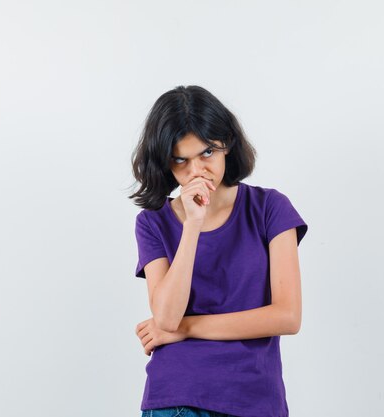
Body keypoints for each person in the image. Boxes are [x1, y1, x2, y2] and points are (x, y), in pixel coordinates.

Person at [129, 85, 308, 417]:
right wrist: (192, 223)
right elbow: (166, 317)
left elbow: (287, 316)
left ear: (226, 143)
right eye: (181, 160)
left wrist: (187, 328)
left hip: (256, 399)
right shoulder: (153, 223)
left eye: (207, 153)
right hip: (178, 397)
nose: (196, 171)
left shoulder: (269, 208)